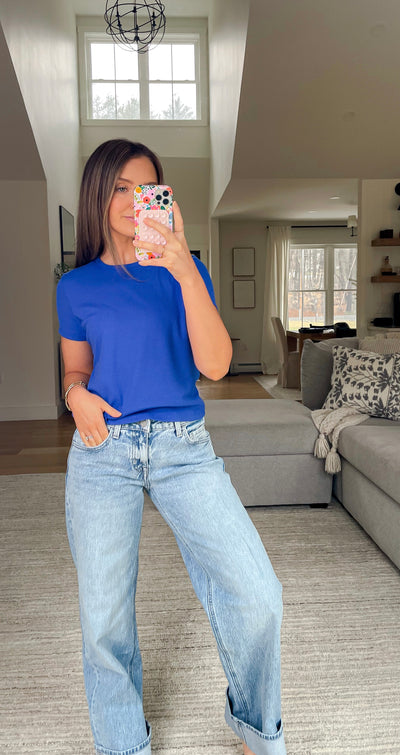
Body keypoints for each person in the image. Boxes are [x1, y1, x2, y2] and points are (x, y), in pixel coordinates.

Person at [57, 138, 286, 755]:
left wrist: (184, 268)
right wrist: (75, 396)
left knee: (258, 594)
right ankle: (123, 745)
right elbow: (75, 371)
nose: (134, 200)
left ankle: (257, 730)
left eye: (146, 189)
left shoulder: (186, 272)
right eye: (120, 187)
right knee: (103, 620)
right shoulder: (75, 287)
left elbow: (216, 366)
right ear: (97, 195)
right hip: (103, 450)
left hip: (183, 449)